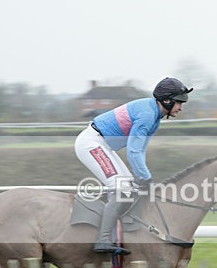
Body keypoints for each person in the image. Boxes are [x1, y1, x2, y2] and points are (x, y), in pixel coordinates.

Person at [74, 77, 193, 254]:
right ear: (167, 100)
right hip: (91, 143)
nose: (181, 107)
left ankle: (120, 229)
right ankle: (103, 240)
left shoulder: (155, 116)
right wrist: (146, 178)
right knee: (122, 188)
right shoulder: (147, 115)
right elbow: (134, 151)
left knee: (128, 186)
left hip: (101, 144)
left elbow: (140, 150)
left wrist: (144, 177)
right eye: (179, 102)